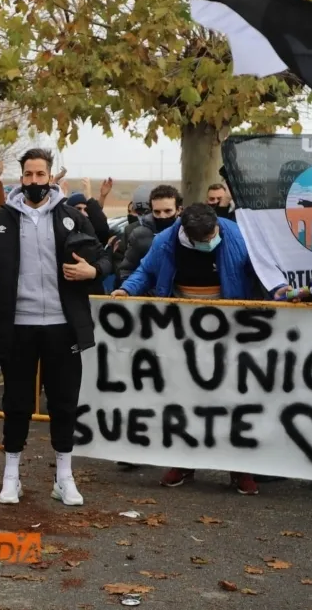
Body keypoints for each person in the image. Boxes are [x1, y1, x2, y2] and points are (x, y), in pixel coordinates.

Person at [112, 203, 293, 495]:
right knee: (185, 397)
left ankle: (240, 468)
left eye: (213, 235)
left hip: (231, 329)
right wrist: (127, 289)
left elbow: (263, 271)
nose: (211, 241)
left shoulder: (238, 236)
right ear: (186, 233)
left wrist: (278, 289)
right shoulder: (165, 243)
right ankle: (184, 463)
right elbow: (145, 272)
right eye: (204, 240)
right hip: (184, 330)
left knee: (235, 397)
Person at [0, 148, 111, 506]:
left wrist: (92, 271)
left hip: (62, 325)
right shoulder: (0, 220)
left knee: (64, 403)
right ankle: (11, 476)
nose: (34, 181)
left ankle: (64, 478)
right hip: (18, 326)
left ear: (51, 177)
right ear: (21, 177)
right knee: (17, 403)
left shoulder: (72, 217)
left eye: (41, 174)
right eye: (28, 174)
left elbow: (104, 255)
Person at [117, 185, 183, 288]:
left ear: (178, 210)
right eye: (157, 212)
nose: (162, 216)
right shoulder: (139, 235)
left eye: (167, 211)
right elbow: (127, 270)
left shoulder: (187, 234)